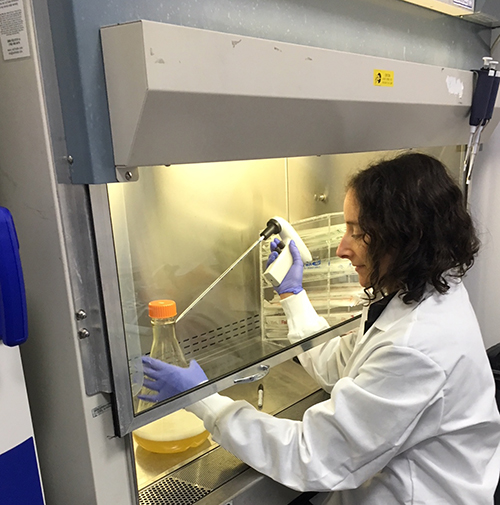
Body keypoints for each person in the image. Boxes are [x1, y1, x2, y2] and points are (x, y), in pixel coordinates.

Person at [140, 152, 500, 505]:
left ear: (406, 238)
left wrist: (204, 402)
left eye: (359, 234)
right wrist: (292, 295)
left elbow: (313, 455)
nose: (342, 248)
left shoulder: (416, 345)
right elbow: (344, 367)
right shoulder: (422, 294)